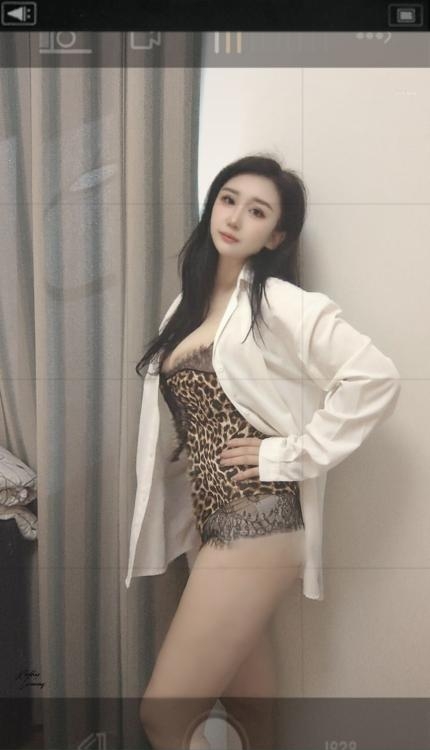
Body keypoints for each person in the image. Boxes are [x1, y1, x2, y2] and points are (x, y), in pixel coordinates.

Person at [128, 155, 401, 749]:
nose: (234, 218)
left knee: (163, 716)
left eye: (257, 212)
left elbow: (376, 377)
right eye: (228, 200)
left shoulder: (276, 301)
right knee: (249, 709)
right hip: (213, 524)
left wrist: (288, 456)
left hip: (258, 519)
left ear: (275, 236)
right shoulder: (187, 308)